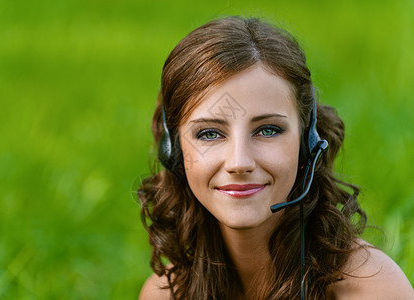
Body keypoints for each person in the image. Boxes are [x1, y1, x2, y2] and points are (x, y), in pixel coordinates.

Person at [138, 16, 413, 300]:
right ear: (173, 150)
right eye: (209, 134)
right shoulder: (165, 293)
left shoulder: (371, 288)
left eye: (268, 130)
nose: (239, 162)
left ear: (308, 141)